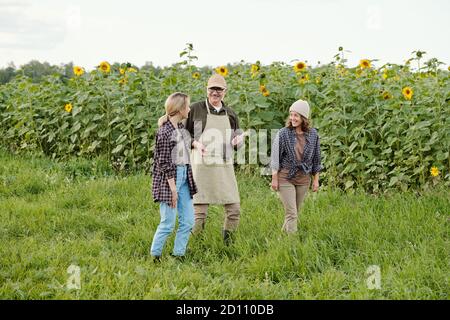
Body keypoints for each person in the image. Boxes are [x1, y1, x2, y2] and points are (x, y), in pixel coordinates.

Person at [185, 74, 244, 245]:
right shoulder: (195, 109)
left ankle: (228, 244)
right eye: (212, 89)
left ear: (225, 91)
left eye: (219, 89)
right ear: (207, 89)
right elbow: (181, 134)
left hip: (224, 167)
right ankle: (195, 245)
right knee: (199, 213)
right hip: (201, 167)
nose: (215, 92)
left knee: (234, 209)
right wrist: (194, 143)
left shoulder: (231, 114)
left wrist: (238, 142)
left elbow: (238, 139)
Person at [150, 92, 197, 261]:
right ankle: (155, 256)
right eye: (187, 106)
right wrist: (173, 189)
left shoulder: (181, 128)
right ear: (179, 109)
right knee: (168, 223)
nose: (189, 109)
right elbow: (163, 163)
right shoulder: (165, 132)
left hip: (184, 175)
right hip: (170, 178)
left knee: (188, 221)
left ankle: (179, 255)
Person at [270, 99, 322, 233]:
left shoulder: (313, 134)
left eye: (296, 115)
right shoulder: (283, 133)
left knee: (293, 213)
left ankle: (281, 240)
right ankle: (292, 246)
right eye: (291, 115)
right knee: (292, 214)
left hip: (303, 179)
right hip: (285, 177)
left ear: (304, 118)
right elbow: (275, 157)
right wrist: (274, 178)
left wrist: (316, 180)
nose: (292, 118)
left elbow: (317, 158)